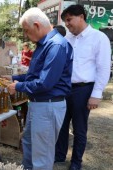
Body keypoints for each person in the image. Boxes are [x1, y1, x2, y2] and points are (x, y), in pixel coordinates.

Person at [7, 8, 73, 169]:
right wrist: (14, 78)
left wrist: (18, 86)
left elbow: (45, 83)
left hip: (47, 105)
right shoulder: (44, 44)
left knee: (42, 155)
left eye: (27, 31)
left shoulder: (56, 45)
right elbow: (34, 75)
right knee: (29, 143)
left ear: (36, 25)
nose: (26, 35)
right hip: (39, 104)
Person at [55, 5, 111, 170]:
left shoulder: (99, 38)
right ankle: (59, 155)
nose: (67, 24)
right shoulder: (67, 40)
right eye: (65, 21)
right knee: (62, 125)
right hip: (65, 89)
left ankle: (76, 162)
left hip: (84, 90)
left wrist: (96, 94)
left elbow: (103, 68)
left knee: (79, 128)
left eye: (69, 20)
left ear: (81, 17)